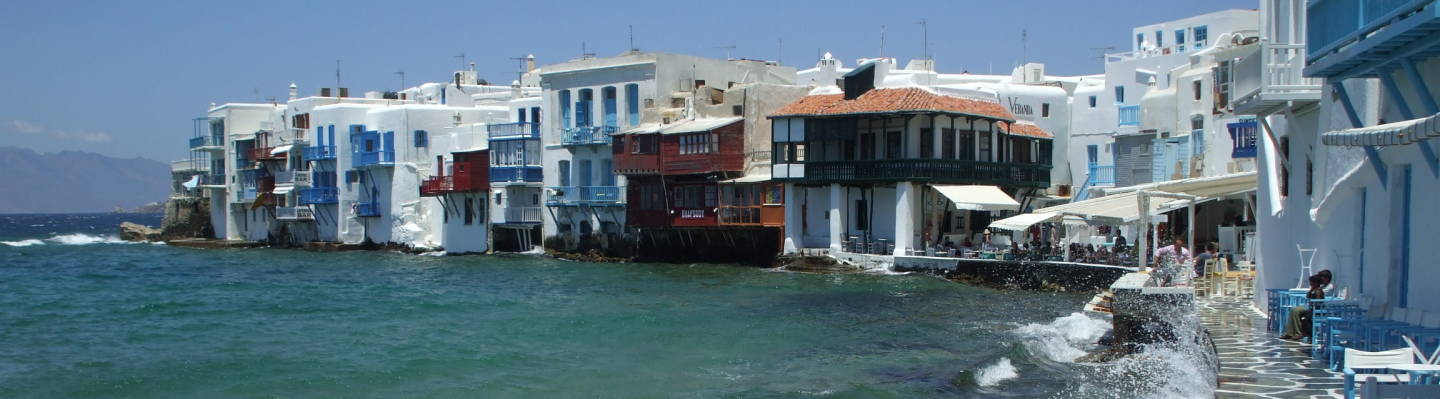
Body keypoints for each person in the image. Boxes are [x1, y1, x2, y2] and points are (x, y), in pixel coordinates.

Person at [1281, 274, 1327, 340]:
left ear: (1316, 282)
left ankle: (1298, 333)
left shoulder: (1318, 291)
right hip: (1309, 307)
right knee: (1293, 310)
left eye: (1311, 282)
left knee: (1295, 311)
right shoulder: (1314, 290)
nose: (1310, 283)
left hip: (1313, 309)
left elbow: (1317, 302)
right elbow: (1308, 296)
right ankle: (1290, 333)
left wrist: (1312, 304)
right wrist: (1311, 290)